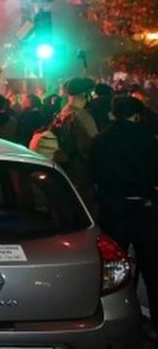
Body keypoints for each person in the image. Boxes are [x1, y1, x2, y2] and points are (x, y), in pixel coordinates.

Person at [89, 95, 158, 333]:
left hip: (113, 207)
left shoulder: (101, 140)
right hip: (143, 207)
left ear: (114, 113)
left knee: (112, 267)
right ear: (136, 115)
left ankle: (111, 315)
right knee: (151, 266)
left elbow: (93, 174)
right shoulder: (148, 140)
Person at [51, 77, 99, 206]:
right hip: (82, 174)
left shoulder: (62, 114)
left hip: (65, 170)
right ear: (85, 94)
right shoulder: (82, 117)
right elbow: (94, 146)